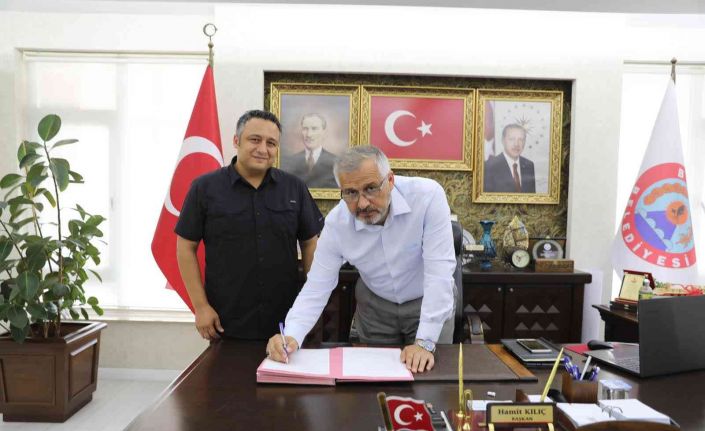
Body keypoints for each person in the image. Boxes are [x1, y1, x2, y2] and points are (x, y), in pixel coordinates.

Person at [266, 146, 456, 373]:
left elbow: (439, 273)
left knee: (429, 377)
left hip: (427, 302)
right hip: (375, 308)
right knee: (374, 380)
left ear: (390, 181)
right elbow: (316, 287)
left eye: (371, 188)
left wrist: (425, 342)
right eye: (351, 193)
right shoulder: (337, 223)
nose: (363, 203)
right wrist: (291, 335)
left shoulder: (427, 197)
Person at [175, 110, 324, 341]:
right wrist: (201, 306)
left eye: (271, 143)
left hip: (287, 320)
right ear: (237, 141)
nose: (263, 149)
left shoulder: (294, 188)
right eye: (255, 139)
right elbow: (185, 247)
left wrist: (310, 302)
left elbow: (309, 243)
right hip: (226, 320)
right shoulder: (204, 188)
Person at [286, 113, 339, 188]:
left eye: (314, 129)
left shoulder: (336, 162)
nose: (309, 134)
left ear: (324, 132)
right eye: (305, 129)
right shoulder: (291, 161)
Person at [484, 124, 536, 193]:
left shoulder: (529, 165)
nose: (516, 144)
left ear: (525, 142)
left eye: (521, 139)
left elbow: (531, 197)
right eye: (512, 139)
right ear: (503, 141)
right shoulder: (489, 166)